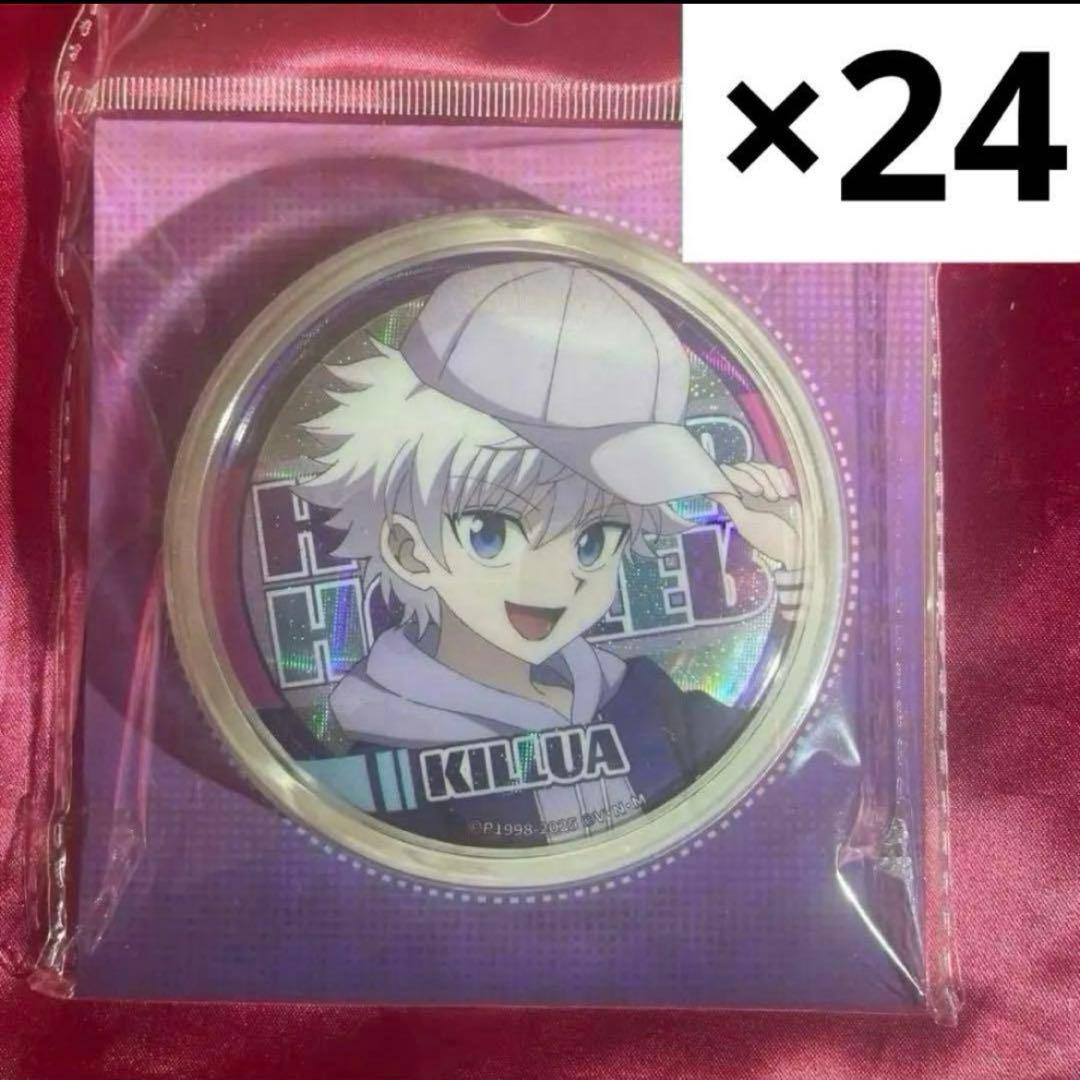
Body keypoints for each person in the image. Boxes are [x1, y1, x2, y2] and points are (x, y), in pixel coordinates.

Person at [296, 261, 802, 846]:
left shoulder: (640, 697)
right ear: (410, 549)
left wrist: (796, 566)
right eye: (492, 533)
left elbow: (777, 766)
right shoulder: (384, 762)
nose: (555, 579)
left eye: (594, 540)